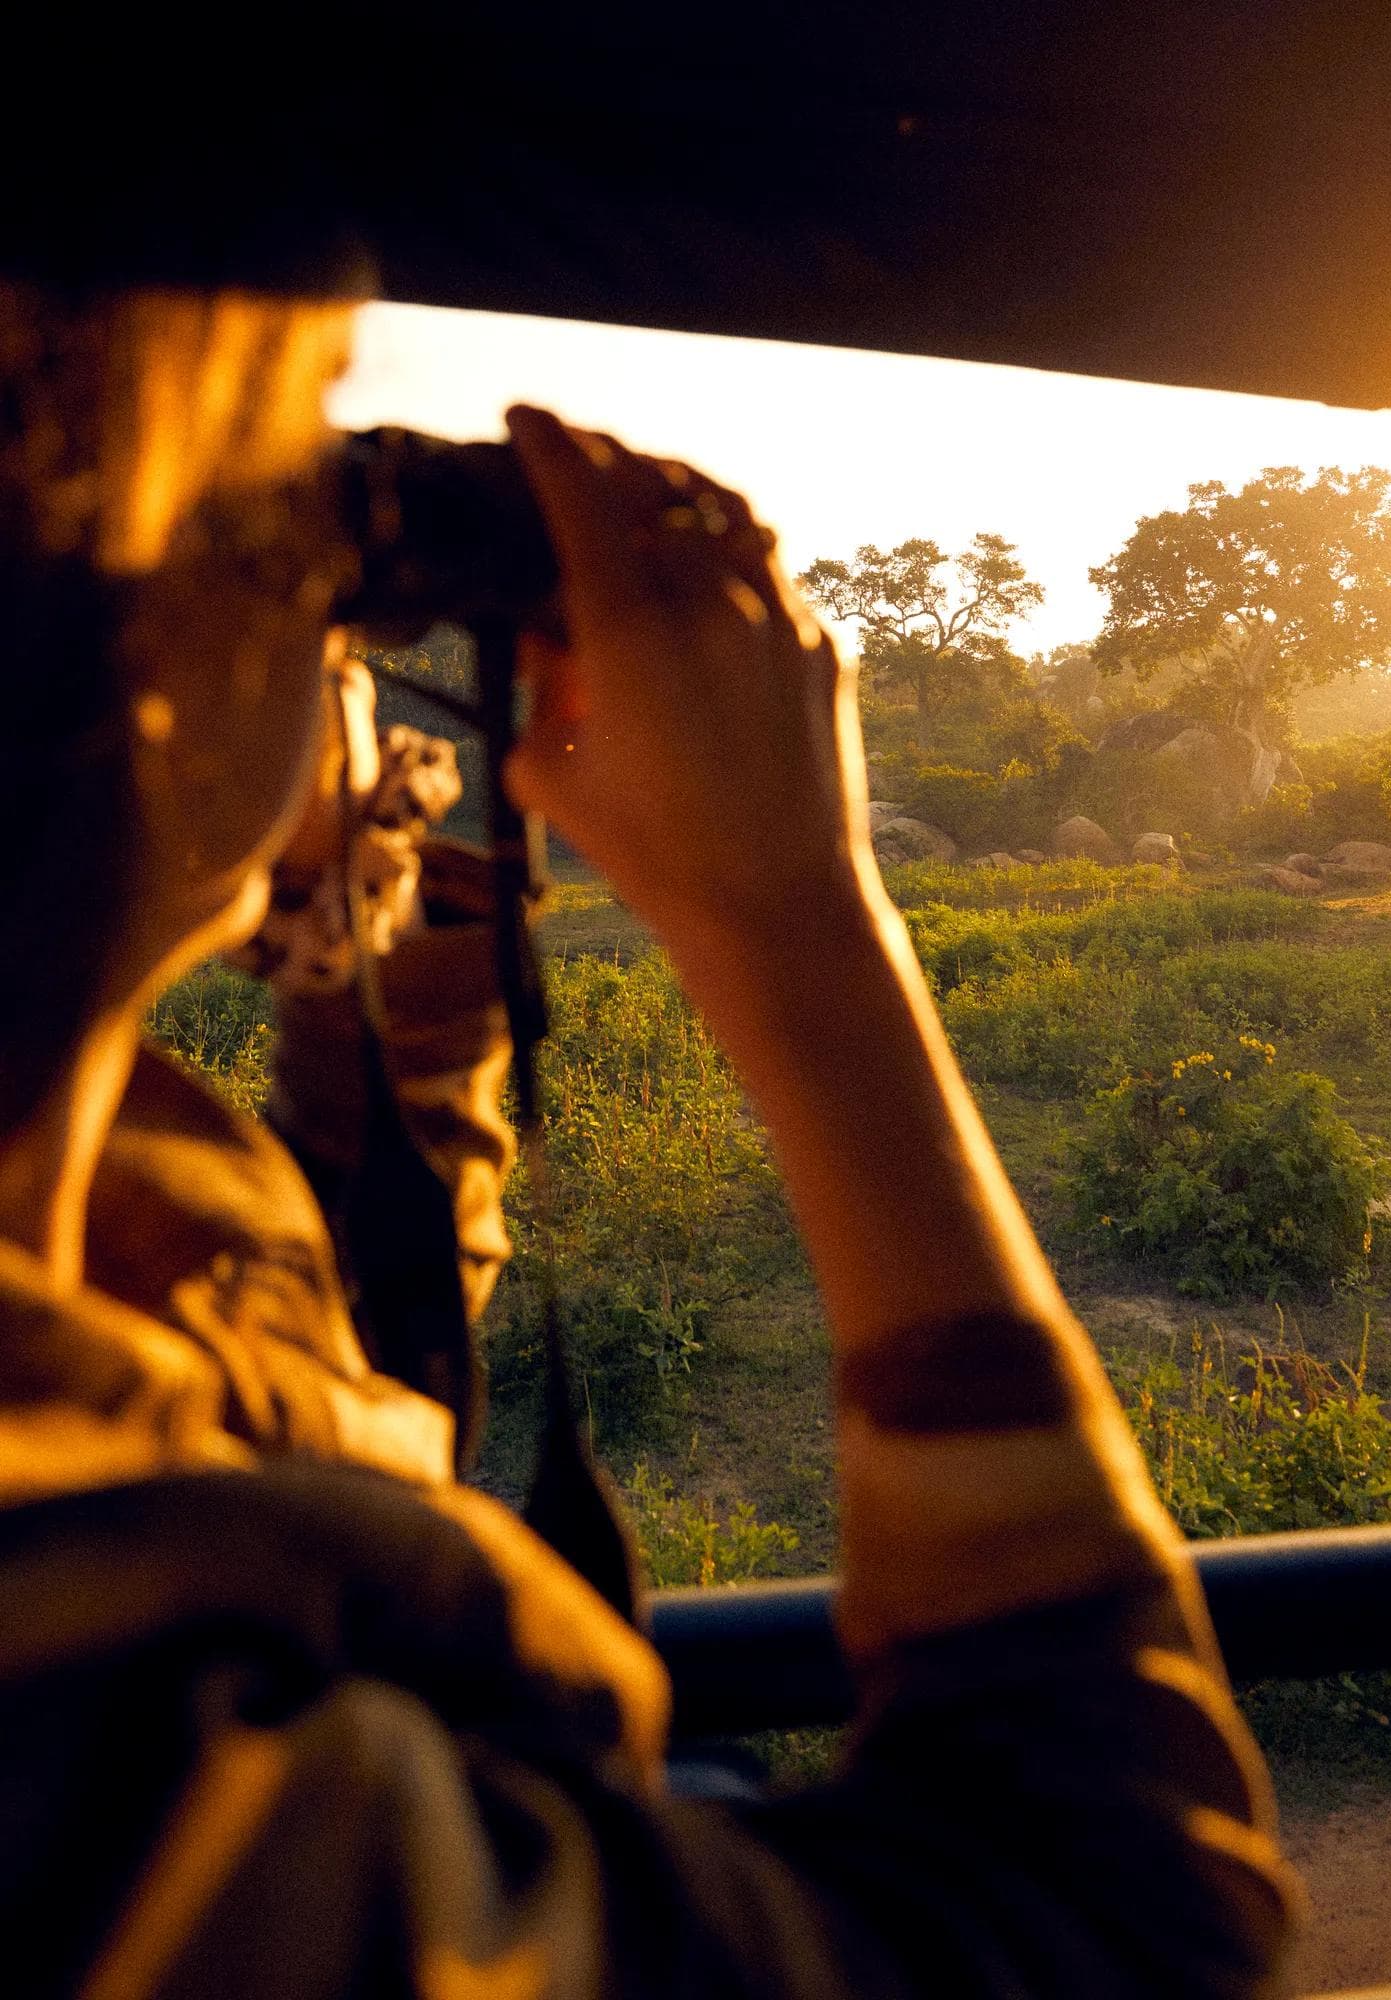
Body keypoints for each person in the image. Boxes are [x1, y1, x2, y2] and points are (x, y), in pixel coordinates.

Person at [0, 282, 1295, 1997]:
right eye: (285, 471)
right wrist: (801, 925)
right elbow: (1123, 1931)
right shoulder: (92, 1773)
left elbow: (331, 1358)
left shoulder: (87, 1202)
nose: (341, 596)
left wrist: (391, 903)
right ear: (122, 634)